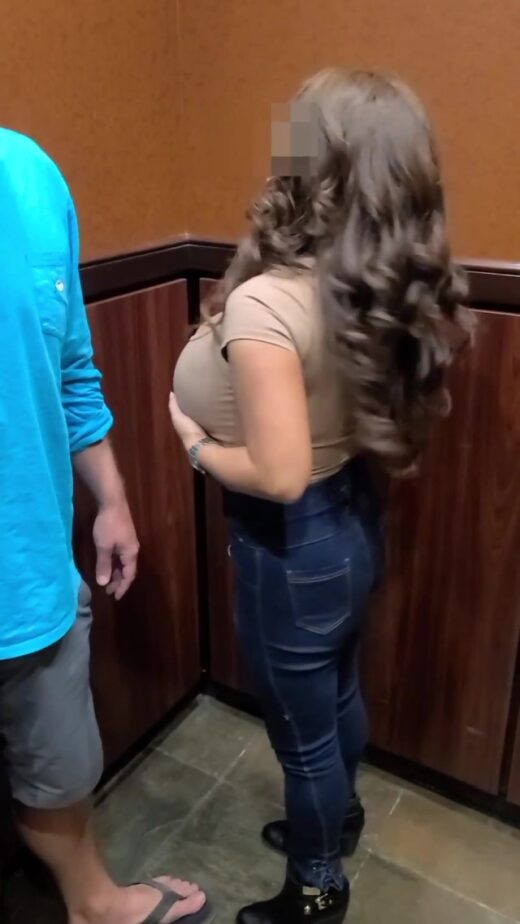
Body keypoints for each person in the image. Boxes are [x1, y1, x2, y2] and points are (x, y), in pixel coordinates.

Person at [170, 69, 473, 924]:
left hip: (290, 540)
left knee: (302, 739)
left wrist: (193, 443)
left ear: (318, 167)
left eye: (294, 135)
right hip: (351, 520)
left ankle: (315, 888)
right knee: (336, 692)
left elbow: (279, 474)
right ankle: (339, 820)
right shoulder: (368, 288)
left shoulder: (273, 302)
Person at [0, 128, 212, 924]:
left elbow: (70, 371)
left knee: (61, 766)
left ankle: (92, 902)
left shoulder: (30, 175)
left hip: (31, 574)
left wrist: (112, 501)